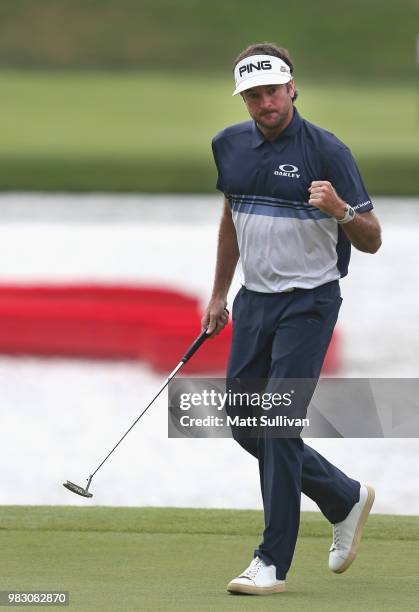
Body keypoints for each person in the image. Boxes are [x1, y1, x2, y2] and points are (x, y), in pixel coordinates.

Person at [201, 42, 382, 595]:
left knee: (278, 422)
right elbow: (232, 219)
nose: (264, 104)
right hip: (255, 301)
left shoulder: (328, 151)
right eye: (252, 96)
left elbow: (372, 239)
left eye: (272, 92)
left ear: (292, 88)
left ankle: (271, 562)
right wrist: (217, 294)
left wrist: (341, 210)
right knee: (244, 420)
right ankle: (343, 496)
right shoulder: (227, 145)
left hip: (309, 303)